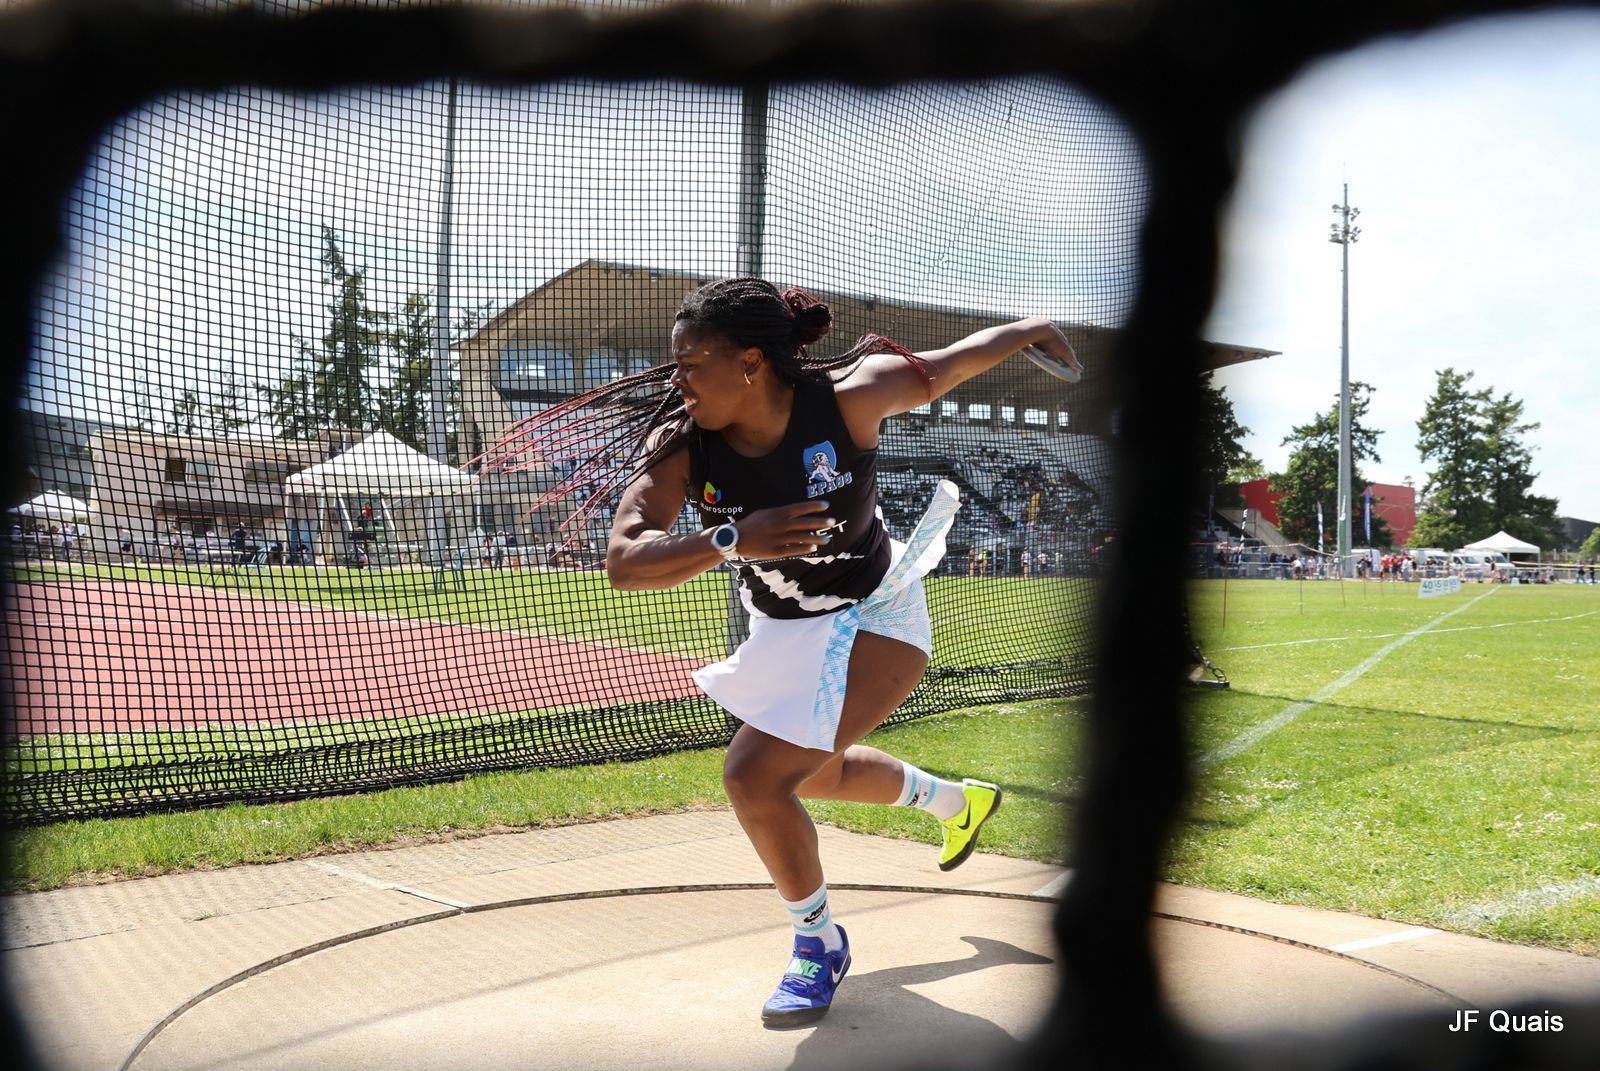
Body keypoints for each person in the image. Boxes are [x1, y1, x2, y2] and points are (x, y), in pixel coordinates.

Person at [515, 278, 1080, 1027]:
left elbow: (951, 364)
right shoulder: (682, 442)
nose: (675, 380)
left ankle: (819, 944)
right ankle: (956, 800)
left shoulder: (848, 397)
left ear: (751, 360)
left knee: (755, 776)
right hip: (784, 626)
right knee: (818, 772)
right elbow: (624, 560)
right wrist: (730, 537)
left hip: (879, 609)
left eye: (690, 363)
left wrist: (1031, 326)